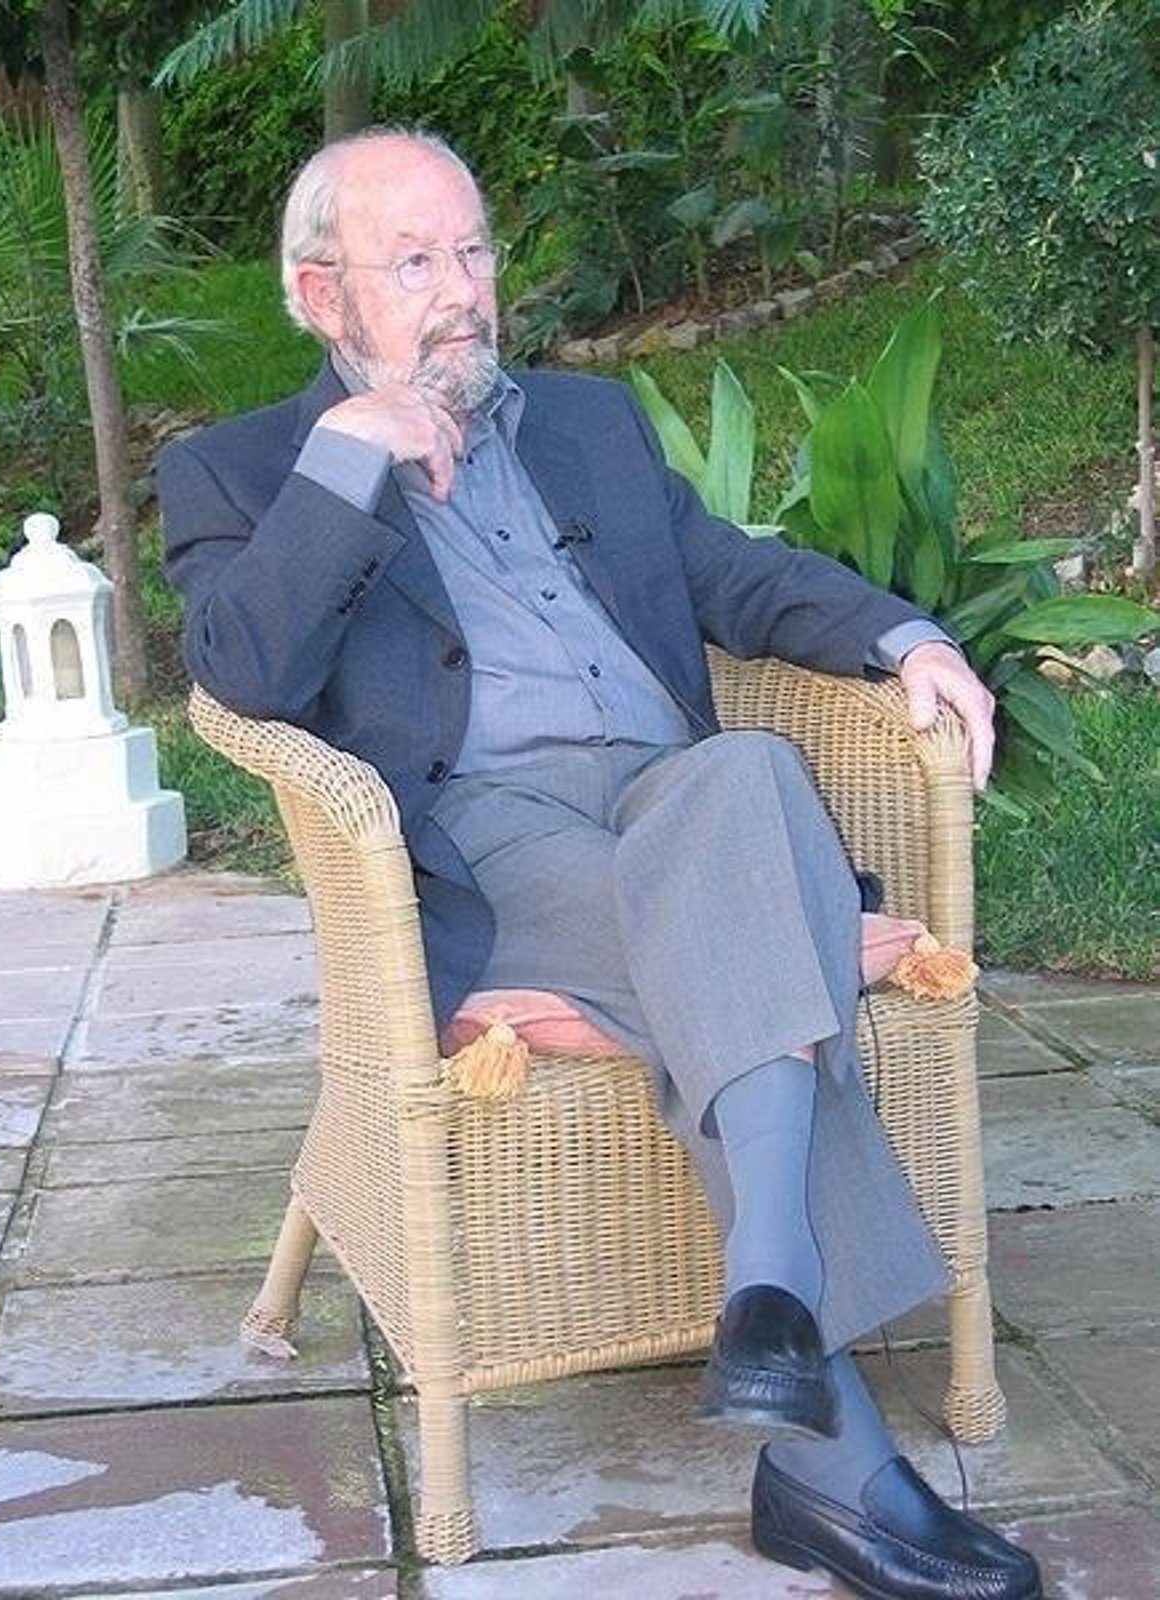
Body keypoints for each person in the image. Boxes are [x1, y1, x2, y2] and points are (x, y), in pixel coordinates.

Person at [159, 127, 1041, 1600]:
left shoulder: (585, 421)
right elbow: (241, 674)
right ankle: (829, 1432)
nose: (462, 290)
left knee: (747, 774)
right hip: (490, 837)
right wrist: (351, 456)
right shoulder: (240, 470)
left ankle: (774, 1312)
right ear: (322, 296)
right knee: (758, 929)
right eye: (413, 262)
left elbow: (733, 573)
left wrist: (907, 638)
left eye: (473, 250)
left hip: (677, 801)